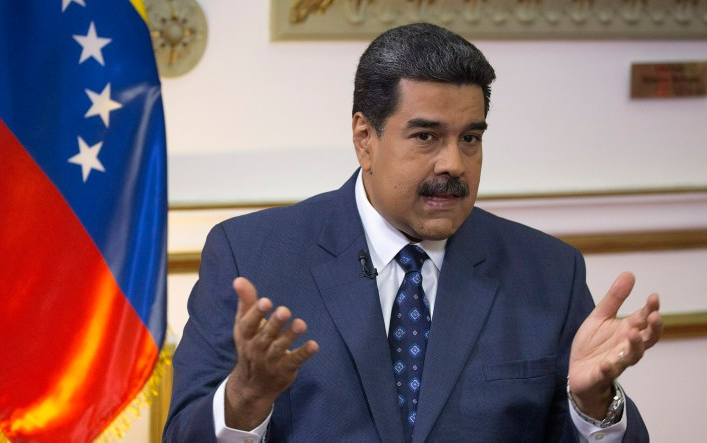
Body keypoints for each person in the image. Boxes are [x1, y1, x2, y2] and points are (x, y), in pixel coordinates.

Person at [163, 23, 662, 442]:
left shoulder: (549, 272)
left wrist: (595, 404)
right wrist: (244, 399)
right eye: (426, 136)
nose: (453, 163)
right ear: (364, 138)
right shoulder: (252, 256)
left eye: (470, 138)